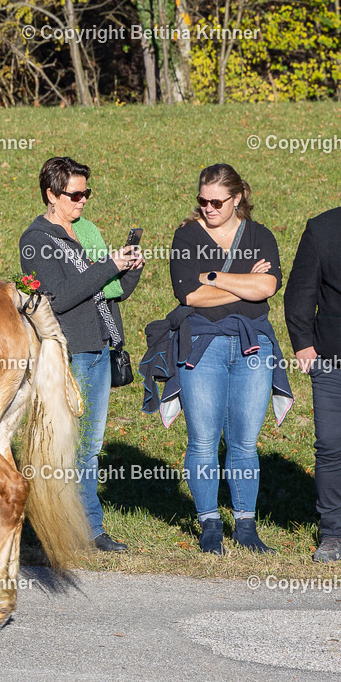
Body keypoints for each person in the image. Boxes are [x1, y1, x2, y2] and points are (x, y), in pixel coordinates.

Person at [19, 156, 143, 552]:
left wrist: (130, 266)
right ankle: (51, 527)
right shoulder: (37, 241)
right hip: (69, 354)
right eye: (75, 194)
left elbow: (111, 292)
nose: (83, 200)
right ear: (51, 195)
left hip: (100, 348)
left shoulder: (84, 233)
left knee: (88, 446)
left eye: (86, 192)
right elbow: (57, 299)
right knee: (59, 445)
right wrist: (107, 265)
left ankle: (89, 529)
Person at [166, 163, 291, 554]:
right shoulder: (186, 236)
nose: (208, 208)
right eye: (202, 200)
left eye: (217, 201)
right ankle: (209, 524)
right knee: (203, 440)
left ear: (237, 199)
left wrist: (214, 277)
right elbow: (188, 295)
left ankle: (247, 526)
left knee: (244, 442)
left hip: (253, 347)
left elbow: (267, 286)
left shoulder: (259, 235)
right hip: (203, 344)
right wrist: (243, 284)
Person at [283, 206, 341, 563]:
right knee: (332, 446)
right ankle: (333, 531)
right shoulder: (322, 228)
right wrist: (304, 346)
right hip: (332, 362)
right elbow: (301, 290)